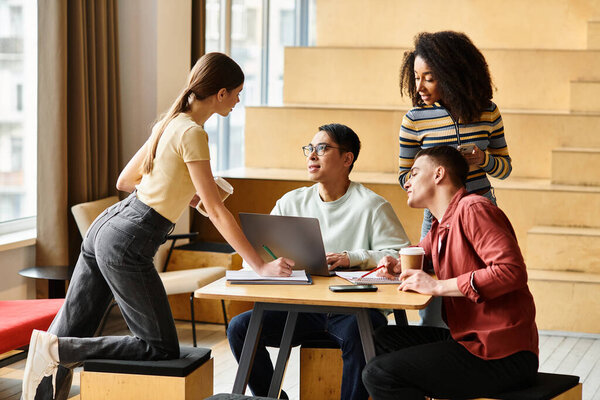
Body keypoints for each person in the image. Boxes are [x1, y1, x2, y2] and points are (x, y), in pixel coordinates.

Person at [22, 52, 294, 400]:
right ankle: (58, 350)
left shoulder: (169, 122)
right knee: (159, 346)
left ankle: (47, 371)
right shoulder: (194, 133)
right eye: (238, 92)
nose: (239, 101)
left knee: (68, 330)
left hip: (108, 226)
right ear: (221, 92)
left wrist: (185, 193)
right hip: (129, 240)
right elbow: (216, 208)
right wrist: (260, 265)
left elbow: (125, 181)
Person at [227, 123, 410, 400]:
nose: (312, 155)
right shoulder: (290, 202)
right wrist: (270, 265)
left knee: (360, 336)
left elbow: (401, 255)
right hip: (299, 309)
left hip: (354, 310)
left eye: (322, 148)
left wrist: (353, 257)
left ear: (347, 159)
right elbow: (255, 257)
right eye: (309, 149)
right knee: (239, 328)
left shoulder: (373, 205)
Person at [362, 146, 538, 400]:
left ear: (438, 174)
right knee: (379, 339)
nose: (407, 182)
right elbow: (419, 253)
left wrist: (437, 286)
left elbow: (511, 271)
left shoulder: (474, 208)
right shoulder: (441, 224)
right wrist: (398, 266)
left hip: (501, 355)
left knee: (379, 373)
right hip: (468, 341)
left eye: (413, 173)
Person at [397, 31, 512, 327]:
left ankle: (479, 349)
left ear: (452, 75)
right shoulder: (414, 119)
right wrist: (433, 177)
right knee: (433, 300)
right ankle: (433, 349)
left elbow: (504, 168)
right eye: (416, 77)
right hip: (437, 219)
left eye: (429, 78)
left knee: (484, 285)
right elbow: (403, 176)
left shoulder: (488, 113)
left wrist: (482, 160)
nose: (419, 86)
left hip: (481, 211)